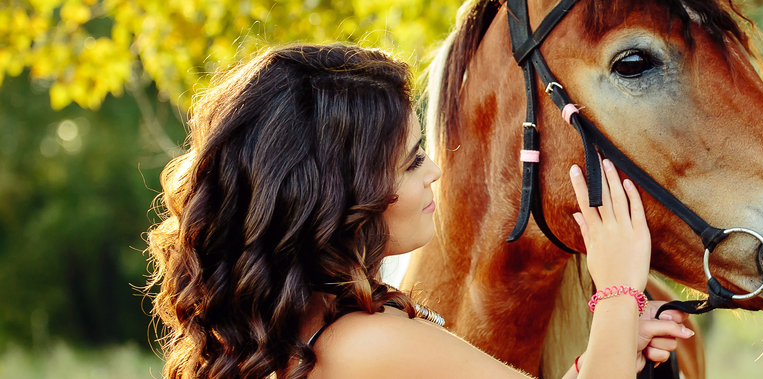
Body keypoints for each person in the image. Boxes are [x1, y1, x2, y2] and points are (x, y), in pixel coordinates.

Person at [145, 43, 692, 379]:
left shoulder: (308, 337)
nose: (434, 172)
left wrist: (615, 346)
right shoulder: (368, 342)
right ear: (340, 198)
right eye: (410, 163)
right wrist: (620, 286)